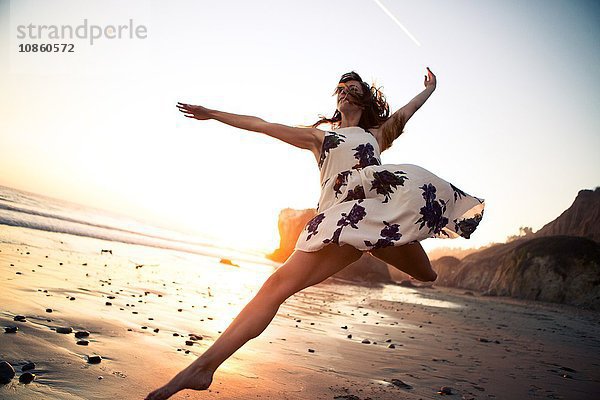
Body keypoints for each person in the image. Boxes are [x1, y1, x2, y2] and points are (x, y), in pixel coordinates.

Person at [145, 68, 484, 400]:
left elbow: (408, 111)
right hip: (337, 222)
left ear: (364, 97)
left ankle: (376, 242)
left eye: (352, 86)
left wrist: (430, 89)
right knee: (275, 287)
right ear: (336, 99)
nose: (346, 90)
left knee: (427, 274)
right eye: (341, 87)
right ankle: (202, 368)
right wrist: (214, 114)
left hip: (378, 215)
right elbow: (263, 125)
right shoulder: (319, 137)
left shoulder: (378, 134)